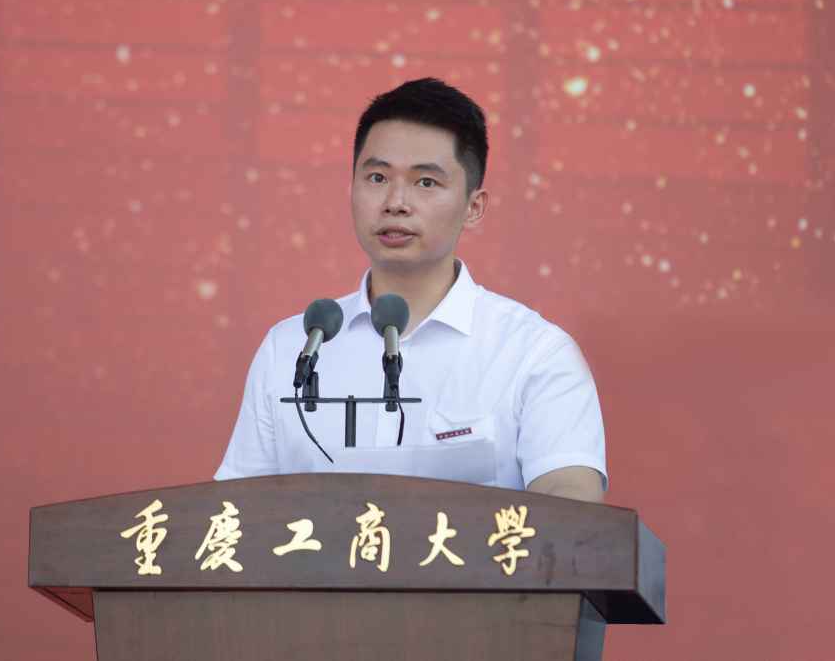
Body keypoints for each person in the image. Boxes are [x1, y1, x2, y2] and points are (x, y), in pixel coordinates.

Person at [215, 78, 606, 502]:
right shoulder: (292, 348)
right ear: (351, 189)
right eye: (377, 177)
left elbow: (572, 503)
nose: (396, 202)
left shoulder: (533, 354)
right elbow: (235, 512)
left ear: (473, 207)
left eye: (425, 183)